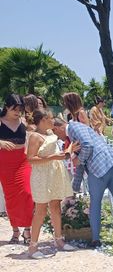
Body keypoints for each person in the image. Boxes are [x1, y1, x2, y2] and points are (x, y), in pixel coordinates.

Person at [51, 117, 113, 247]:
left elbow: (87, 148)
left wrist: (79, 161)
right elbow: (81, 160)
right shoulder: (77, 131)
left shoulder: (73, 127)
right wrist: (74, 188)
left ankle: (95, 239)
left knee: (95, 204)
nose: (59, 138)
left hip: (99, 168)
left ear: (58, 128)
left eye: (56, 133)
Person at [26, 109, 77, 258]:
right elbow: (30, 159)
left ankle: (58, 239)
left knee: (55, 206)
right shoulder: (35, 136)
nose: (53, 120)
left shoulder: (50, 134)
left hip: (54, 173)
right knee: (40, 210)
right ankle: (33, 246)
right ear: (42, 120)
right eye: (50, 118)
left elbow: (56, 154)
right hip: (42, 175)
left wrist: (68, 150)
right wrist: (52, 157)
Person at [0, 94, 34, 244]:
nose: (18, 112)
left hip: (22, 160)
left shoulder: (24, 121)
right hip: (5, 162)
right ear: (6, 107)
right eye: (15, 109)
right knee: (10, 197)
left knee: (27, 193)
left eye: (20, 109)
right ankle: (15, 231)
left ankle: (27, 230)